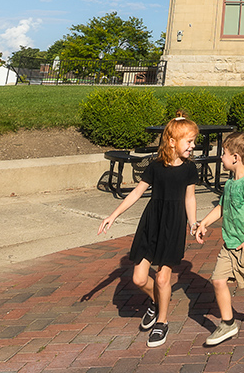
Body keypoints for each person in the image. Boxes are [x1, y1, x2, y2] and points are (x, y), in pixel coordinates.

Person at [98, 113, 199, 348]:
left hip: (174, 224)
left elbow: (190, 198)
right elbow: (136, 192)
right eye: (189, 141)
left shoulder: (189, 169)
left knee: (163, 278)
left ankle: (162, 322)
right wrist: (113, 215)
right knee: (139, 278)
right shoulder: (155, 165)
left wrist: (193, 223)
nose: (193, 146)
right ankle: (157, 303)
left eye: (194, 142)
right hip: (152, 222)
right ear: (172, 141)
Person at [195, 131, 244, 345]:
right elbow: (221, 207)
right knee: (218, 280)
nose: (221, 157)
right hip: (230, 243)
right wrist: (204, 223)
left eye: (224, 153)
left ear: (235, 158)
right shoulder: (230, 184)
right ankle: (228, 323)